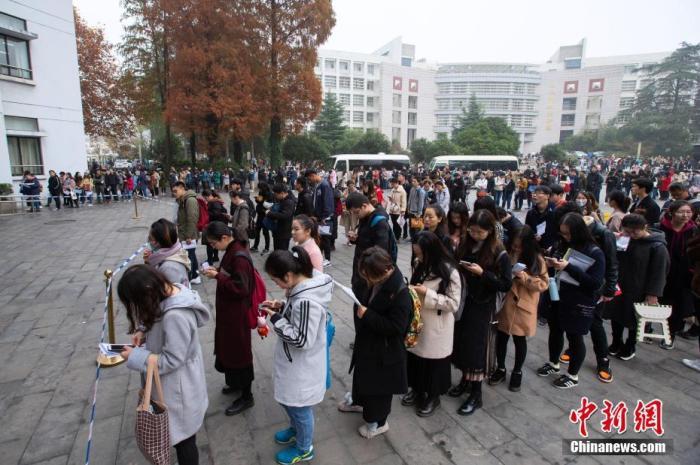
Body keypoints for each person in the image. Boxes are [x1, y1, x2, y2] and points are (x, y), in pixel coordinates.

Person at [118, 265, 210, 465]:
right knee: (182, 434)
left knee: (184, 439)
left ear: (147, 291)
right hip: (177, 384)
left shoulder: (175, 316)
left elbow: (172, 360)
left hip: (179, 389)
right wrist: (143, 330)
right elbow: (158, 313)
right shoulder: (169, 292)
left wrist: (136, 356)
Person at [261, 247, 331, 464]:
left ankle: (304, 447)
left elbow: (302, 340)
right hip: (295, 363)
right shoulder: (300, 290)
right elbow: (300, 317)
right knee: (291, 403)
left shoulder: (305, 300)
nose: (276, 285)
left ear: (289, 275)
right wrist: (281, 307)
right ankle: (296, 430)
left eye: (276, 280)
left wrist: (276, 320)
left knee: (299, 408)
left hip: (302, 367)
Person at [450, 210, 512, 414]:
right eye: (472, 230)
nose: (475, 235)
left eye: (480, 232)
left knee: (476, 347)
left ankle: (476, 394)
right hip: (464, 300)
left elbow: (506, 284)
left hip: (482, 305)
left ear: (490, 231)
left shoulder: (499, 252)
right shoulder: (465, 244)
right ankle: (465, 380)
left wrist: (483, 273)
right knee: (461, 342)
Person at [349, 247, 412, 438]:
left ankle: (379, 423)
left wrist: (368, 315)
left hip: (385, 351)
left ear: (385, 270)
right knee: (365, 380)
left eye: (370, 276)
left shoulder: (400, 293)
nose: (367, 280)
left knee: (379, 390)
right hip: (369, 343)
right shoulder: (378, 280)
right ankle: (360, 403)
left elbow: (396, 328)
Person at [537, 213, 605, 389]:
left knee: (575, 337)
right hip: (557, 295)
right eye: (562, 233)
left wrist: (569, 267)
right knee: (555, 331)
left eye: (568, 233)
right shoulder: (561, 244)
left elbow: (595, 283)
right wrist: (551, 263)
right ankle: (553, 363)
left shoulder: (594, 252)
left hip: (579, 300)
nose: (565, 236)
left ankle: (572, 375)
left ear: (578, 231)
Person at [402, 231, 461, 417]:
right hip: (418, 321)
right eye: (416, 253)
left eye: (421, 253)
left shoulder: (449, 272)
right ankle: (417, 389)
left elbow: (453, 303)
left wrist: (427, 294)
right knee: (416, 358)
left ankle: (433, 397)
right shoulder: (419, 263)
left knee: (434, 362)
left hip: (437, 325)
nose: (418, 257)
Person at [201, 223, 256, 415]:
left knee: (240, 352)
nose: (213, 247)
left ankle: (247, 396)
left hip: (237, 314)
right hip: (229, 312)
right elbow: (229, 273)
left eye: (213, 243)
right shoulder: (232, 249)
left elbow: (241, 288)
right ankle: (235, 383)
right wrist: (217, 271)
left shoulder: (239, 255)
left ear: (225, 237)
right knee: (230, 349)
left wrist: (218, 276)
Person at [491, 226, 548, 391]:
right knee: (501, 337)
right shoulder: (507, 253)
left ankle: (517, 371)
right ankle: (500, 368)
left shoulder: (537, 259)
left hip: (524, 304)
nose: (516, 248)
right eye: (514, 245)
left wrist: (525, 278)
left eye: (519, 246)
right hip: (506, 302)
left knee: (519, 339)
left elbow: (543, 284)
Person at [605, 214, 669, 360]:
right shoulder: (625, 239)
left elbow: (659, 272)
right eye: (627, 231)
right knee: (616, 314)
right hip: (620, 285)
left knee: (634, 319)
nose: (631, 235)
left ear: (644, 227)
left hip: (640, 289)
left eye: (635, 232)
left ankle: (630, 345)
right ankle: (616, 342)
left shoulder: (657, 246)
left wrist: (653, 293)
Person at [659, 200, 697, 348]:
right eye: (681, 212)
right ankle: (648, 328)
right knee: (659, 302)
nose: (685, 215)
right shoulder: (660, 228)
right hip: (663, 273)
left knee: (677, 307)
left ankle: (670, 335)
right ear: (672, 213)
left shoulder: (694, 231)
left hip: (684, 276)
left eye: (689, 212)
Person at [143, 218, 191, 286]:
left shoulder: (169, 268)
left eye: (150, 238)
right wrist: (148, 262)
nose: (148, 241)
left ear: (159, 242)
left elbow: (170, 291)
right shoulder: (173, 250)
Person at [172, 181, 202, 284]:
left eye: (175, 191)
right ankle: (195, 275)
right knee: (191, 254)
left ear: (182, 188)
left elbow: (192, 218)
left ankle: (191, 277)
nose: (174, 193)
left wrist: (189, 235)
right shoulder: (182, 199)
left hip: (189, 235)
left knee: (189, 256)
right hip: (185, 233)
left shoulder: (190, 200)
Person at [306, 169, 335, 266]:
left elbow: (327, 202)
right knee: (320, 239)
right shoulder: (318, 186)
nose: (309, 181)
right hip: (319, 217)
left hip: (325, 218)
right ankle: (321, 257)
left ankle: (328, 259)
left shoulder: (325, 185)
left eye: (309, 178)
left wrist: (324, 217)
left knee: (326, 239)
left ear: (313, 175)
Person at [525, 185, 557, 249]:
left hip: (549, 248)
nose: (535, 195)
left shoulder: (555, 212)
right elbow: (527, 229)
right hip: (534, 247)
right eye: (534, 193)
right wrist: (533, 235)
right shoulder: (530, 213)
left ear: (547, 196)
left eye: (539, 193)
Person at [266, 183, 296, 251]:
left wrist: (270, 214)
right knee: (277, 250)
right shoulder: (283, 200)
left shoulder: (289, 202)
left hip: (284, 232)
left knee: (281, 252)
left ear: (282, 193)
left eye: (276, 194)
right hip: (278, 231)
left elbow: (284, 215)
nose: (275, 196)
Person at [203, 190, 229, 264]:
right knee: (215, 242)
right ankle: (215, 257)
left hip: (214, 225)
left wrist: (206, 212)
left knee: (210, 243)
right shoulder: (215, 201)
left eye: (206, 198)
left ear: (210, 196)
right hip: (215, 225)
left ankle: (210, 260)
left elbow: (216, 214)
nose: (205, 199)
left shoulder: (214, 203)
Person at [251, 182, 272, 254]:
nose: (259, 189)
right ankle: (255, 246)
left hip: (265, 215)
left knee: (265, 232)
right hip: (260, 214)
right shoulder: (261, 192)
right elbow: (259, 201)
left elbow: (269, 204)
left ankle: (267, 248)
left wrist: (261, 200)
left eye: (260, 188)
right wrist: (257, 199)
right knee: (257, 231)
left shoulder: (269, 194)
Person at [386, 177, 407, 241]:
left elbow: (404, 201)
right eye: (391, 184)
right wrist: (390, 199)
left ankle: (398, 236)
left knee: (398, 224)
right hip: (392, 209)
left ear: (397, 183)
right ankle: (395, 236)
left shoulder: (402, 191)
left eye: (393, 184)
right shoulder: (392, 190)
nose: (392, 185)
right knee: (394, 224)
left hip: (398, 210)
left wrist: (403, 210)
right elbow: (391, 199)